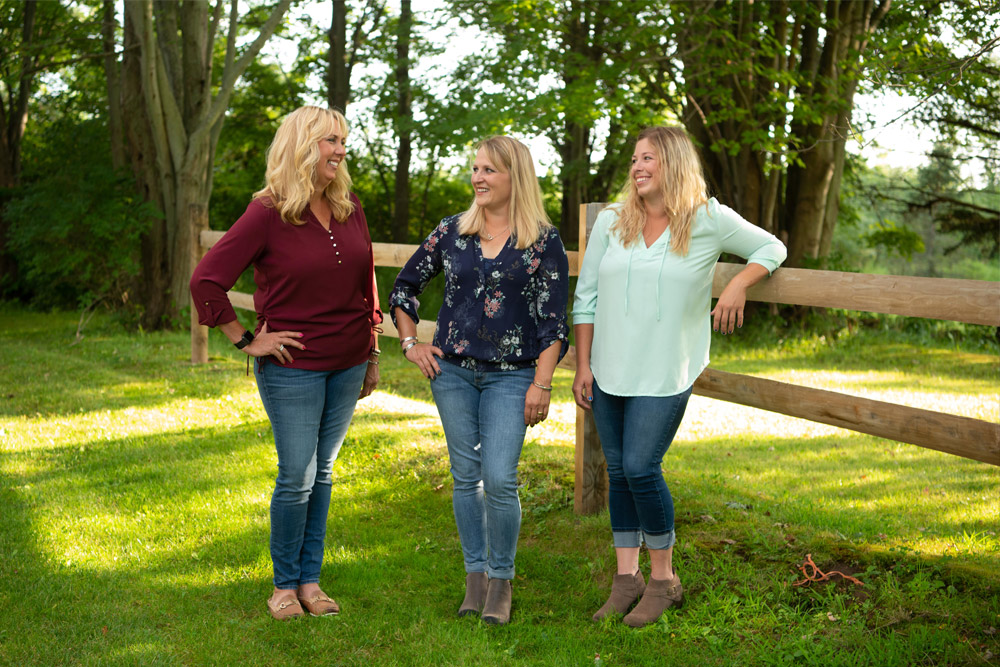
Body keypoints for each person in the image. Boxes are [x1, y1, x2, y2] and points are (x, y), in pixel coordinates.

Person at [572, 126, 786, 627]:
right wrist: (583, 364)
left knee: (642, 466)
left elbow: (771, 248)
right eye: (634, 160)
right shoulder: (611, 221)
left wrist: (737, 284)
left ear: (673, 162)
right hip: (608, 368)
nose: (637, 167)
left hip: (667, 369)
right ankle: (627, 579)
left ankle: (665, 580)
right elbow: (585, 298)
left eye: (649, 158)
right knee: (619, 470)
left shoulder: (707, 219)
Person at [190, 106, 382, 621]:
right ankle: (283, 586)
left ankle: (311, 581)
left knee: (323, 474)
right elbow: (206, 280)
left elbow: (366, 282)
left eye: (343, 141)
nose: (341, 150)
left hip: (347, 362)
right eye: (330, 141)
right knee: (296, 475)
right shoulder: (268, 212)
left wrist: (373, 350)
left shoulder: (349, 206)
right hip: (293, 368)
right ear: (302, 146)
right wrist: (245, 338)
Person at [390, 136, 569, 625]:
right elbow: (404, 288)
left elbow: (554, 323)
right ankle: (476, 577)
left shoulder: (543, 241)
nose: (478, 178)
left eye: (490, 170)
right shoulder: (452, 232)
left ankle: (502, 579)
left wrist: (543, 383)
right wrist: (411, 343)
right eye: (475, 169)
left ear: (516, 177)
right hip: (451, 374)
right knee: (466, 478)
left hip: (514, 377)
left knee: (500, 478)